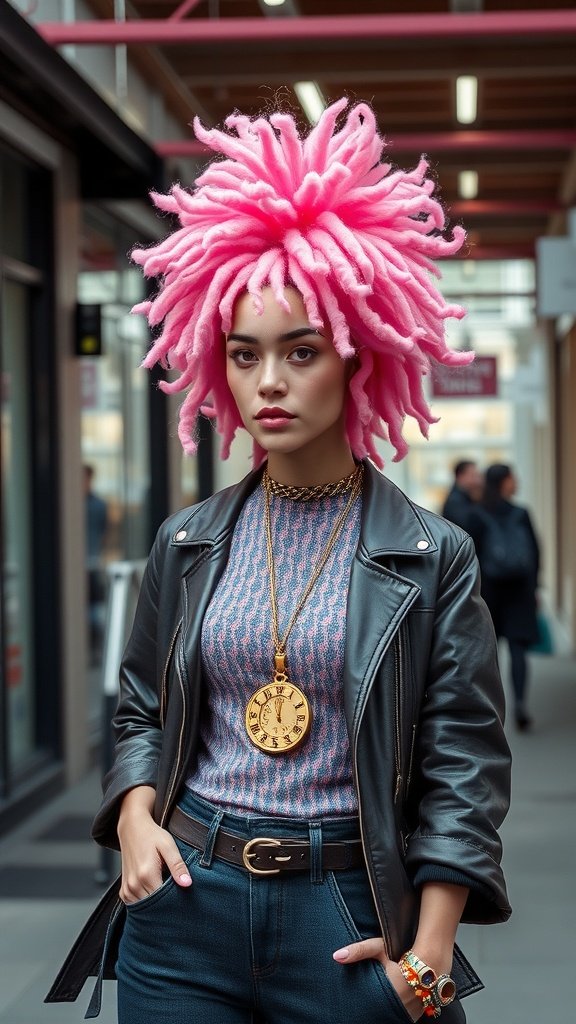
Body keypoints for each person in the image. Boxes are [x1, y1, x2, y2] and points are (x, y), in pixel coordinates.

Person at [47, 98, 511, 1024]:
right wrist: (135, 818)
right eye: (245, 353)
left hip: (343, 912)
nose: (269, 382)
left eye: (302, 351)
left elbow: (463, 760)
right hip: (183, 905)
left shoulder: (431, 555)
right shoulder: (189, 541)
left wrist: (427, 957)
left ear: (358, 354)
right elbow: (141, 706)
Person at [468, 464, 540, 731]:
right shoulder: (521, 514)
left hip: (490, 592)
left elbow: (469, 558)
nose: (516, 481)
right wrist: (535, 589)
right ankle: (520, 703)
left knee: (489, 653)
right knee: (519, 650)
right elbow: (535, 553)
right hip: (520, 590)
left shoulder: (476, 515)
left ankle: (492, 710)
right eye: (513, 477)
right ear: (503, 482)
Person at [84, 464, 109, 661]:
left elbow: (103, 533)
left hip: (92, 562)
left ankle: (95, 649)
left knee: (94, 610)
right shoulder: (74, 504)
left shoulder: (98, 505)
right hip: (81, 564)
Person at [441, 460, 483, 531]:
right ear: (460, 476)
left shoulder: (466, 497)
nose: (477, 481)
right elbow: (471, 526)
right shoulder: (455, 502)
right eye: (473, 476)